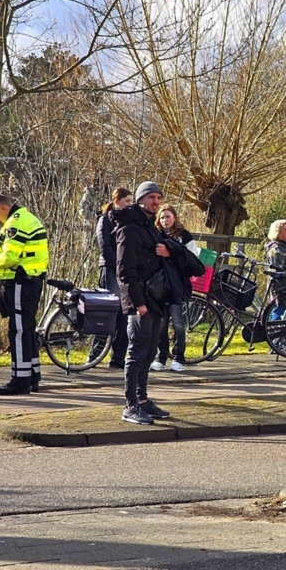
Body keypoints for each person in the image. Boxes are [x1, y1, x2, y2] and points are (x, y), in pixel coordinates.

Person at [115, 181, 172, 425]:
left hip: (155, 299)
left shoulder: (150, 226)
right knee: (137, 353)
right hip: (141, 302)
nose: (156, 202)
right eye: (151, 197)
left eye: (159, 197)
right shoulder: (129, 228)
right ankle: (130, 406)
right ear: (140, 199)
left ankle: (142, 400)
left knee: (149, 352)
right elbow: (125, 271)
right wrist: (138, 304)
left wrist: (166, 252)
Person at [0, 194, 49, 395]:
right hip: (32, 279)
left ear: (2, 208)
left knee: (18, 331)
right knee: (27, 328)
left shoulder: (15, 223)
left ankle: (20, 380)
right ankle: (32, 376)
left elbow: (10, 258)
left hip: (22, 280)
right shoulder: (28, 217)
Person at [150, 205, 192, 372]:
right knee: (161, 324)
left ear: (174, 217)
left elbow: (191, 259)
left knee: (178, 323)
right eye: (161, 217)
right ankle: (160, 357)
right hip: (160, 285)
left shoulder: (184, 236)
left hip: (177, 284)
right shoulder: (156, 235)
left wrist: (172, 254)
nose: (164, 220)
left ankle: (179, 357)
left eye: (167, 217)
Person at [94, 187, 132, 369]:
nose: (129, 205)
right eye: (127, 201)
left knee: (124, 314)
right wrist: (117, 266)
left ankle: (118, 357)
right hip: (110, 270)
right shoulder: (105, 220)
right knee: (107, 311)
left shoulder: (129, 221)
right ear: (117, 202)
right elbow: (104, 245)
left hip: (125, 271)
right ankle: (95, 354)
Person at [265, 219, 286, 292]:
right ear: (277, 231)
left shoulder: (283, 248)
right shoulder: (275, 250)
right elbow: (277, 273)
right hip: (282, 292)